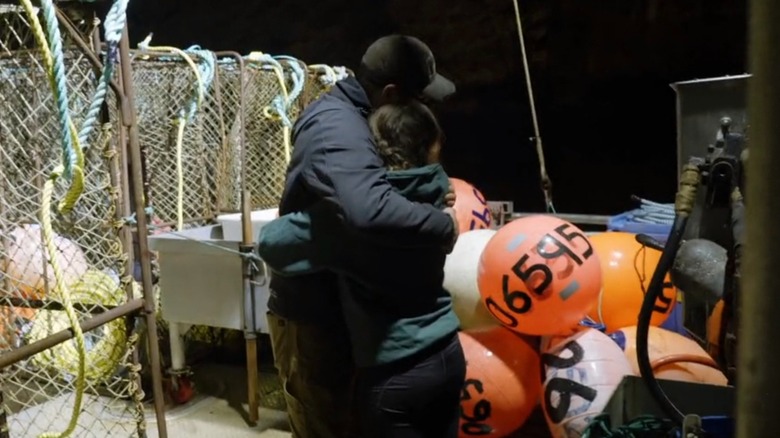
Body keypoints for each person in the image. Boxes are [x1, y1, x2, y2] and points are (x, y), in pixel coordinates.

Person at [265, 35, 459, 438]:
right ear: (390, 93)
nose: (423, 108)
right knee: (327, 425)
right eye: (418, 99)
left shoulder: (362, 120)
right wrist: (443, 224)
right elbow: (368, 210)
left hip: (351, 313)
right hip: (313, 318)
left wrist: (429, 189)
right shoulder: (337, 127)